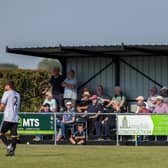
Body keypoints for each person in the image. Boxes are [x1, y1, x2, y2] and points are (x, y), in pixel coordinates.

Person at [0, 81, 21, 156]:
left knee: (1, 133)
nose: (4, 87)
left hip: (8, 117)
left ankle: (9, 146)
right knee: (14, 136)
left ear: (9, 86)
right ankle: (12, 152)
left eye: (5, 86)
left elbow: (2, 106)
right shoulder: (18, 95)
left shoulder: (7, 93)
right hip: (15, 118)